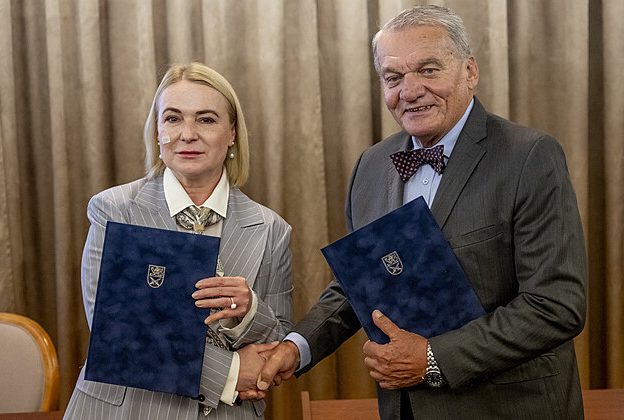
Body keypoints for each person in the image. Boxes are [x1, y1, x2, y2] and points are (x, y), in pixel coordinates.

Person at [255, 5, 586, 419]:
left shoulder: (530, 156)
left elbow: (556, 305)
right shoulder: (370, 166)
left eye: (428, 70)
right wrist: (295, 347)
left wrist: (432, 357)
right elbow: (360, 282)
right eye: (393, 77)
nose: (409, 91)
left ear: (470, 71)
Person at [64, 62, 293, 419]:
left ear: (232, 132)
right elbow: (117, 336)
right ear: (158, 132)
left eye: (206, 119)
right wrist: (229, 373)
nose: (187, 134)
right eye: (173, 118)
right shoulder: (114, 210)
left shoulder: (271, 228)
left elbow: (278, 343)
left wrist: (249, 310)